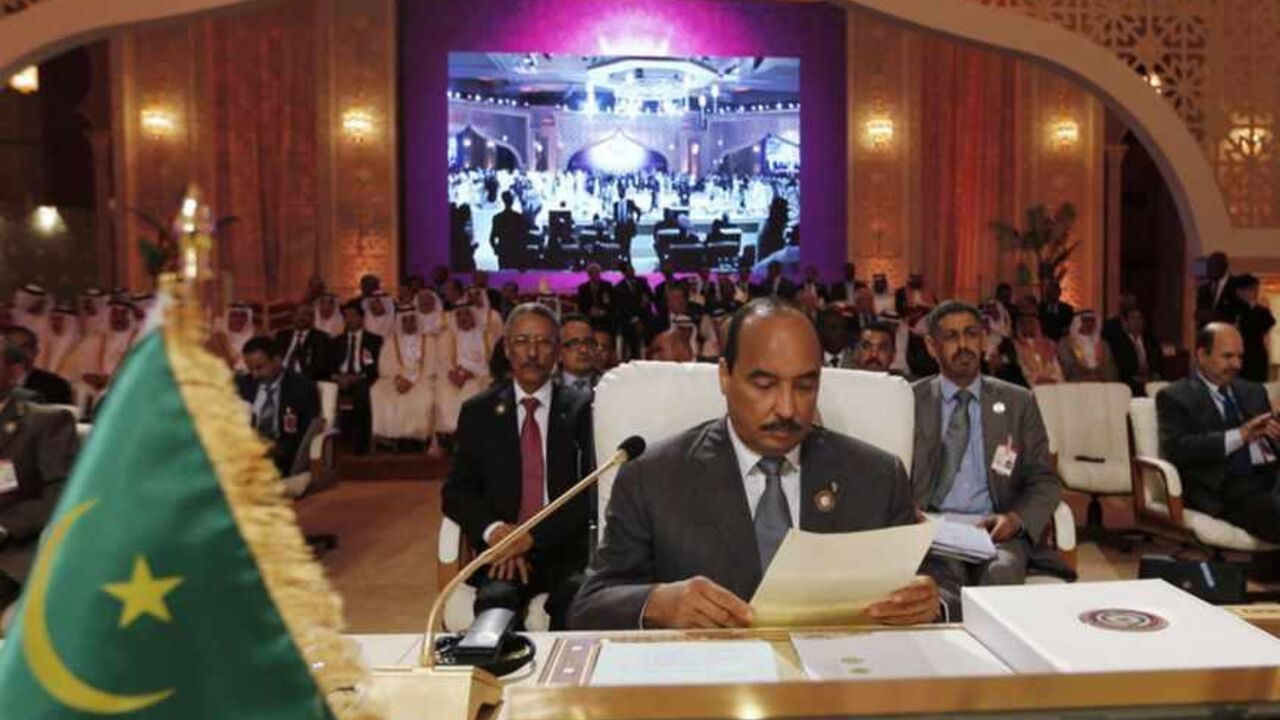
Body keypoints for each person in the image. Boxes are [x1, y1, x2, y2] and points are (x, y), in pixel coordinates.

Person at [570, 298, 943, 630]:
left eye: (804, 386)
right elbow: (590, 605)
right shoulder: (651, 477)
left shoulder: (877, 475)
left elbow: (943, 589)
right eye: (764, 385)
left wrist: (931, 604)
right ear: (724, 376)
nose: (786, 408)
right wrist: (657, 604)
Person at [441, 303, 595, 629]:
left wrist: (531, 538)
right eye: (523, 341)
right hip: (500, 556)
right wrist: (496, 533)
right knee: (495, 603)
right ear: (507, 349)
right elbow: (457, 491)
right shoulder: (478, 411)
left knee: (576, 602)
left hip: (564, 552)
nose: (532, 352)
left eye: (544, 342)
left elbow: (591, 491)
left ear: (556, 352)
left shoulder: (583, 409)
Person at [912, 301, 1064, 599]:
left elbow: (1044, 480)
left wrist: (1015, 520)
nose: (964, 345)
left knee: (1001, 576)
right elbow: (890, 475)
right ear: (932, 346)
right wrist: (909, 514)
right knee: (942, 584)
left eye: (971, 334)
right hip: (932, 530)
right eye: (951, 337)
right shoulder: (909, 401)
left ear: (983, 339)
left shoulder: (1019, 402)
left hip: (996, 533)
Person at [1158, 323, 1280, 543]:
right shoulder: (1176, 396)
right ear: (1202, 355)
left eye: (1240, 357)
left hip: (1269, 479)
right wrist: (1239, 436)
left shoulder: (1253, 391)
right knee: (1271, 508)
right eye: (1227, 356)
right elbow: (1177, 449)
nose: (1236, 364)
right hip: (1221, 489)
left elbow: (1270, 447)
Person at [0, 338, 79, 609]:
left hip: (10, 548)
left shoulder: (45, 422)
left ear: (14, 373)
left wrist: (6, 527)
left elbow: (62, 494)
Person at [237, 337, 321, 477]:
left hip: (281, 454)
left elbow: (304, 437)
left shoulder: (302, 388)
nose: (255, 375)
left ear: (277, 360)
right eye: (250, 369)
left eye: (259, 367)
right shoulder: (242, 386)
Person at [371, 305, 438, 449]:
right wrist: (398, 379)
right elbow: (384, 365)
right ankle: (390, 438)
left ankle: (416, 438)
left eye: (412, 320)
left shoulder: (429, 341)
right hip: (395, 379)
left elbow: (432, 365)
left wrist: (412, 381)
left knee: (424, 396)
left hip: (423, 378)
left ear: (417, 321)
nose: (409, 324)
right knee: (377, 392)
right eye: (405, 321)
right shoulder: (391, 341)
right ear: (400, 323)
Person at [65, 298, 139, 414]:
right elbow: (74, 371)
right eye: (115, 313)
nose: (119, 318)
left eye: (123, 313)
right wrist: (90, 377)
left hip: (126, 386)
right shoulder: (93, 340)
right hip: (94, 389)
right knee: (81, 389)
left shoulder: (138, 341)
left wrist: (110, 380)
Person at [437, 300, 495, 442]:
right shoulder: (448, 336)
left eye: (466, 314)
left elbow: (493, 363)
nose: (463, 318)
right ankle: (450, 434)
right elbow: (444, 360)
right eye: (459, 315)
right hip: (455, 376)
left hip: (483, 376)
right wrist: (452, 373)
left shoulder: (487, 336)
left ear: (474, 316)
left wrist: (472, 373)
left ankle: (468, 436)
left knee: (472, 391)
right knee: (444, 392)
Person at [330, 301, 381, 455]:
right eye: (346, 316)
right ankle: (328, 443)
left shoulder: (373, 340)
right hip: (339, 380)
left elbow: (373, 368)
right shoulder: (335, 341)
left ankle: (360, 444)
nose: (350, 319)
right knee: (325, 393)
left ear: (362, 317)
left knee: (362, 394)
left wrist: (357, 377)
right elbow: (328, 365)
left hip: (362, 379)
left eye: (353, 315)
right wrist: (337, 377)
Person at [2, 326, 73, 405]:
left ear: (36, 351)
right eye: (12, 347)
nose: (18, 352)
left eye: (25, 346)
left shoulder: (56, 386)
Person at [1107, 306, 1162, 397]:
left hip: (1150, 382)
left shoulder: (1151, 341)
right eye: (1133, 318)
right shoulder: (1118, 343)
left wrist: (1154, 375)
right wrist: (1137, 378)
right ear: (1126, 322)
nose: (1136, 322)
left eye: (1139, 318)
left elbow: (1158, 363)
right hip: (1129, 385)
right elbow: (1121, 368)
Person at [1233, 274, 1275, 384]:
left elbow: (1268, 323)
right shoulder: (1235, 309)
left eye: (1256, 289)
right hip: (1240, 353)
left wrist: (1255, 306)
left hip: (1257, 354)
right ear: (1241, 291)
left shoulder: (1261, 310)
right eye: (1251, 289)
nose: (1255, 293)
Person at [1057, 310, 1118, 382]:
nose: (1089, 324)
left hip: (1102, 383)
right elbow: (1068, 366)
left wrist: (1101, 377)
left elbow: (1110, 366)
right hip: (1078, 385)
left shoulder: (1103, 344)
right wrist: (1086, 378)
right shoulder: (1066, 343)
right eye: (1086, 321)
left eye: (1092, 321)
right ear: (1077, 322)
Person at [275, 303, 331, 382]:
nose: (301, 317)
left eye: (305, 314)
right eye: (297, 314)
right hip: (280, 377)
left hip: (305, 379)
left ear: (312, 318)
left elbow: (319, 367)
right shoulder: (282, 335)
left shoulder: (321, 338)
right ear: (292, 317)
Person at [612, 263, 654, 360]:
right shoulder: (619, 288)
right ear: (624, 272)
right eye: (629, 270)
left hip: (646, 318)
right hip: (630, 321)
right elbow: (621, 308)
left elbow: (651, 296)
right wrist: (635, 320)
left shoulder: (642, 282)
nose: (632, 271)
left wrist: (647, 299)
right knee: (633, 343)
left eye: (632, 269)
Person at [1012, 313, 1064, 386]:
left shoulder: (1048, 344)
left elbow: (1056, 367)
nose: (1027, 326)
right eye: (1023, 323)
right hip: (1031, 386)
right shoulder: (1015, 346)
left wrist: (1054, 379)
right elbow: (1022, 369)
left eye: (1030, 323)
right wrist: (1036, 379)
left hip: (1052, 384)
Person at [1196, 251, 1242, 327]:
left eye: (1214, 265)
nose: (1209, 269)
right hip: (1206, 334)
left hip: (1228, 334)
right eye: (1209, 266)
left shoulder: (1236, 286)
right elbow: (1198, 314)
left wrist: (1215, 315)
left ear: (1224, 266)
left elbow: (1236, 314)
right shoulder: (1203, 289)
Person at [209, 302, 255, 373]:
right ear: (228, 317)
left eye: (243, 315)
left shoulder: (254, 336)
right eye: (234, 315)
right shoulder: (218, 337)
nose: (238, 319)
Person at [557, 315, 599, 393]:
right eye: (574, 343)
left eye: (589, 342)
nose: (584, 350)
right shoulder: (544, 386)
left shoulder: (611, 385)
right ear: (558, 352)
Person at [490, 191, 530, 269]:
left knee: (504, 276)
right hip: (516, 251)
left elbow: (492, 238)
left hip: (504, 251)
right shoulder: (518, 217)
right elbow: (524, 235)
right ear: (512, 201)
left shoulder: (498, 218)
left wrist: (496, 249)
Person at [40, 304, 80, 376]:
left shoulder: (78, 344)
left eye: (59, 319)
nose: (54, 323)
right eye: (52, 319)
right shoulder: (45, 340)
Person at [576, 263, 615, 331]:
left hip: (605, 315)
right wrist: (589, 310)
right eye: (591, 273)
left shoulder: (607, 285)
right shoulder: (582, 288)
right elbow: (580, 304)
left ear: (599, 273)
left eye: (596, 272)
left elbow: (612, 302)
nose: (594, 275)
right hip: (588, 315)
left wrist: (603, 311)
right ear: (588, 274)